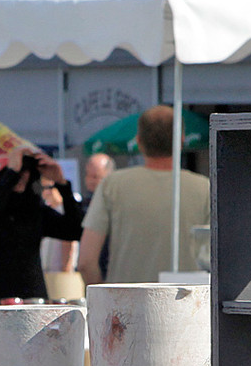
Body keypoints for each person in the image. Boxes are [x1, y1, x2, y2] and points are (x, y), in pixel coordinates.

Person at [77, 106, 209, 284]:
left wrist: (106, 302)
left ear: (139, 141)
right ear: (182, 140)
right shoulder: (204, 187)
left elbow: (86, 261)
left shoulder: (112, 186)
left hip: (127, 304)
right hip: (186, 303)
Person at [0, 144, 84, 306]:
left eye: (27, 171)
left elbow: (74, 231)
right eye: (19, 171)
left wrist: (62, 184)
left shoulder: (32, 207)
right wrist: (10, 174)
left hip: (30, 299)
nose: (22, 176)